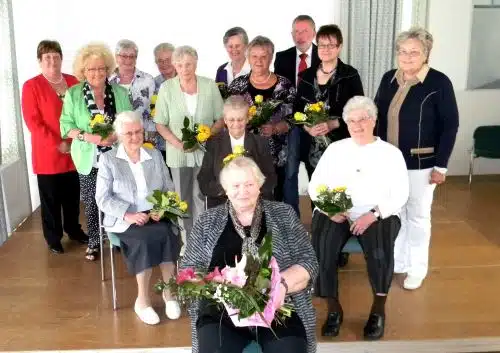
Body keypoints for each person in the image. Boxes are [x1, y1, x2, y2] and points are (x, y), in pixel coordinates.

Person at [181, 156, 318, 353]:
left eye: (249, 184)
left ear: (259, 186)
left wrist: (281, 285)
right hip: (221, 310)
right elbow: (189, 272)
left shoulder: (284, 214)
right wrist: (219, 285)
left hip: (277, 305)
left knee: (289, 348)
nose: (243, 191)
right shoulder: (206, 221)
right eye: (235, 185)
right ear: (225, 189)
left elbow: (308, 262)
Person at [308, 96, 409, 340]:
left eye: (362, 119)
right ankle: (333, 308)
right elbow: (316, 185)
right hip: (337, 209)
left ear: (373, 120)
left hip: (377, 213)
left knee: (379, 250)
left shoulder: (391, 153)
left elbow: (401, 193)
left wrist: (373, 215)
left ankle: (378, 310)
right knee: (322, 247)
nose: (357, 125)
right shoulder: (335, 149)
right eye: (351, 120)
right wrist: (330, 208)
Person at [375, 27, 459, 290]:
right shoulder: (389, 78)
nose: (407, 57)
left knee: (418, 216)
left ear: (426, 54)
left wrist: (441, 166)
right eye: (402, 51)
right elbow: (377, 116)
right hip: (390, 164)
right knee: (394, 213)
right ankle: (398, 262)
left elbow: (450, 125)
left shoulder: (439, 83)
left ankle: (417, 268)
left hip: (422, 165)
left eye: (414, 52)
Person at [95, 111, 181, 325]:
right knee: (143, 241)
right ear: (118, 135)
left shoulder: (155, 156)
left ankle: (169, 293)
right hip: (126, 218)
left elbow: (169, 188)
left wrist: (162, 208)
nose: (134, 137)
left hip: (155, 214)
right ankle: (142, 300)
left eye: (138, 132)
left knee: (169, 234)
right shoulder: (108, 160)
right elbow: (102, 199)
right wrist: (128, 214)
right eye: (128, 134)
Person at [60, 42, 132, 261]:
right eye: (91, 69)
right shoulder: (73, 94)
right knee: (92, 200)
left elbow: (128, 121)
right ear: (83, 71)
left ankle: (117, 237)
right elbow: (66, 126)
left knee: (118, 196)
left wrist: (116, 135)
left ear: (108, 69)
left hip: (116, 155)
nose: (97, 73)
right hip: (87, 157)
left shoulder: (119, 92)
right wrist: (90, 137)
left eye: (101, 68)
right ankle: (94, 240)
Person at [154, 45, 224, 253]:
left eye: (189, 64)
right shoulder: (167, 88)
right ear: (175, 65)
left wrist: (208, 133)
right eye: (181, 64)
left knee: (202, 196)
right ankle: (187, 242)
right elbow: (160, 123)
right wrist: (177, 143)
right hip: (178, 154)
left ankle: (204, 240)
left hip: (204, 153)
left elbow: (220, 118)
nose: (185, 68)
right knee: (182, 198)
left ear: (196, 63)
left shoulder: (209, 86)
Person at [21, 39, 87, 254]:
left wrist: (74, 141)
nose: (52, 60)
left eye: (55, 56)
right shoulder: (31, 86)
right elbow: (34, 122)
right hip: (48, 154)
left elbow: (83, 113)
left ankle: (73, 229)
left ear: (61, 59)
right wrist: (57, 143)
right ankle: (53, 238)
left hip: (74, 150)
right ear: (40, 61)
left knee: (72, 196)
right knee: (50, 200)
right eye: (47, 57)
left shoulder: (73, 81)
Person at [228, 36, 296, 202]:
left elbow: (294, 118)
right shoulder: (238, 85)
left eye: (264, 56)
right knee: (247, 198)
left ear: (271, 58)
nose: (259, 61)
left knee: (275, 198)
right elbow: (228, 117)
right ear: (248, 58)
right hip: (245, 153)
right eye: (254, 56)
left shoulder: (285, 85)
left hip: (276, 155)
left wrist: (276, 128)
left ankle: (273, 228)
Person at [198, 95, 276, 208]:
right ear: (224, 120)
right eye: (231, 120)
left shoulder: (260, 142)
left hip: (254, 204)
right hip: (222, 203)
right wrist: (227, 190)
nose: (236, 124)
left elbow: (271, 178)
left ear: (248, 118)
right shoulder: (213, 143)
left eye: (240, 119)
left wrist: (250, 192)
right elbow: (203, 179)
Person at [109, 39, 157, 146]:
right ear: (116, 57)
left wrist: (150, 140)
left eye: (132, 56)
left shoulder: (148, 80)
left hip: (141, 137)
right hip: (114, 139)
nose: (128, 60)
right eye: (124, 56)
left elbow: (152, 111)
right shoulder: (107, 80)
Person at [153, 42, 176, 161]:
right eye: (160, 61)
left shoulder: (188, 80)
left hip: (188, 143)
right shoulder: (152, 85)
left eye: (168, 59)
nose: (164, 64)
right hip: (161, 146)